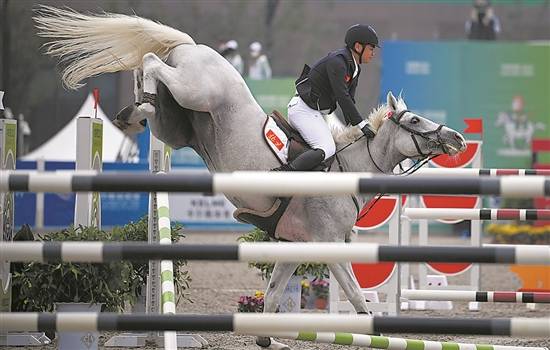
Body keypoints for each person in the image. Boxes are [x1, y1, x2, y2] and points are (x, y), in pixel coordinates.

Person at [274, 24, 378, 171]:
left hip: (313, 113)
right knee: (327, 148)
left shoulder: (354, 68)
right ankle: (283, 173)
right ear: (358, 47)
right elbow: (343, 97)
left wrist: (359, 129)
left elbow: (350, 101)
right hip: (303, 110)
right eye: (371, 48)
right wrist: (361, 125)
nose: (373, 53)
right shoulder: (338, 62)